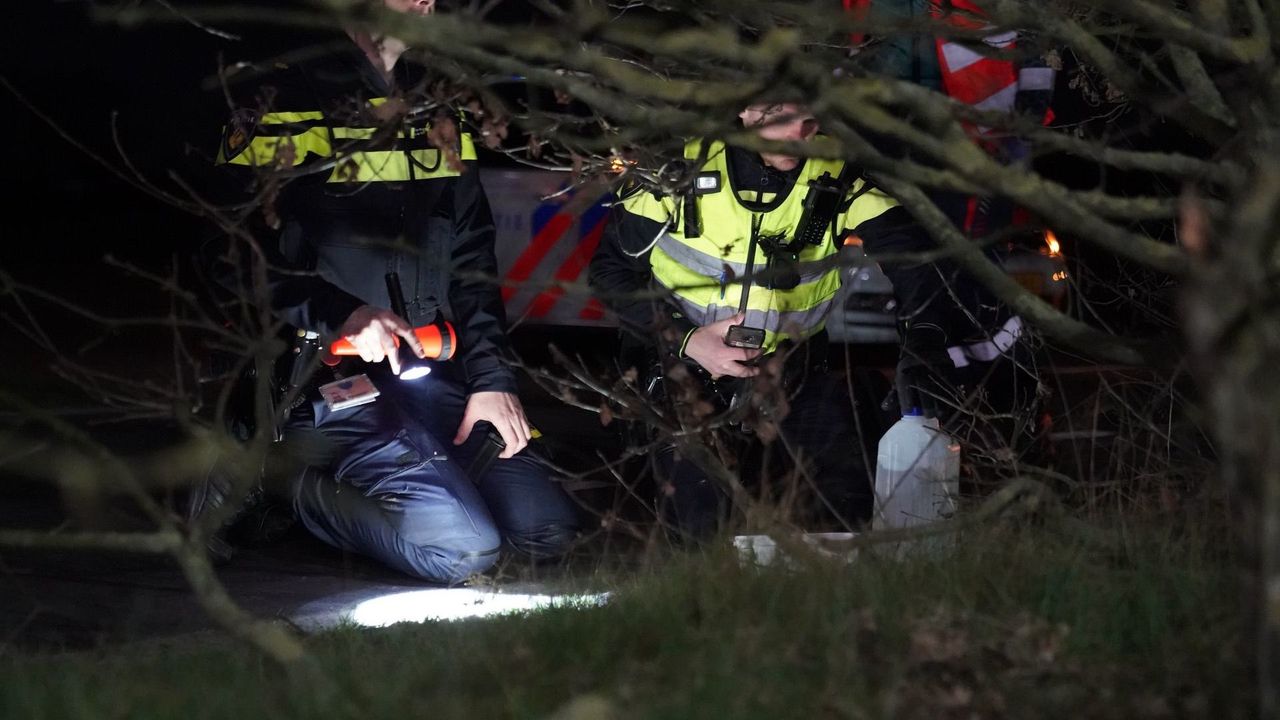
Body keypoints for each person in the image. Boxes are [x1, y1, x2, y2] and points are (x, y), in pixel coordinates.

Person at [196, 0, 578, 582]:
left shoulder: (441, 103)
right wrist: (342, 313)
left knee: (547, 530)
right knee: (462, 551)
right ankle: (282, 478)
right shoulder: (286, 98)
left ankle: (409, 472)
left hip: (428, 376)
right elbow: (227, 251)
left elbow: (473, 262)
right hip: (321, 380)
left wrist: (491, 382)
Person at [590, 103, 919, 539]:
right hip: (682, 372)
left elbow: (918, 263)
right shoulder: (675, 165)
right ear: (745, 109)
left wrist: (925, 343)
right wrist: (689, 339)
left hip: (795, 376)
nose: (800, 132)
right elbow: (610, 273)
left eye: (810, 117)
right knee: (703, 527)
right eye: (783, 114)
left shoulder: (841, 172)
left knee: (843, 512)